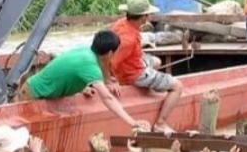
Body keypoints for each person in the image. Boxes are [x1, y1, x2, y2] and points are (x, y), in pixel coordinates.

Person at [17, 30, 148, 130]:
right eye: (116, 52)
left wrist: (81, 87)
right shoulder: (91, 66)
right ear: (110, 53)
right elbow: (107, 98)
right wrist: (132, 122)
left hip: (34, 89)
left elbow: (66, 70)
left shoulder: (85, 51)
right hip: (32, 95)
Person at [109, 0, 183, 132]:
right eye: (147, 14)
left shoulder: (121, 23)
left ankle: (149, 89)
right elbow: (110, 62)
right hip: (134, 73)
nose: (148, 17)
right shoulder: (128, 40)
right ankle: (160, 123)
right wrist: (111, 81)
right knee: (178, 86)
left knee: (156, 61)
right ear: (143, 17)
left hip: (132, 62)